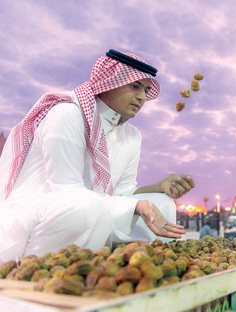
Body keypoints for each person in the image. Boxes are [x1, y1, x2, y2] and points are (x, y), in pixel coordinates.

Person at [0, 49, 195, 262]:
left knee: (162, 203)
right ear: (110, 81)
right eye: (134, 86)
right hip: (42, 215)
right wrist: (135, 206)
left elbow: (121, 192)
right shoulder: (67, 115)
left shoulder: (131, 135)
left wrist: (157, 188)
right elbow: (67, 192)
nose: (141, 97)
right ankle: (39, 271)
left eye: (146, 90)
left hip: (91, 211)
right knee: (84, 208)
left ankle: (136, 267)